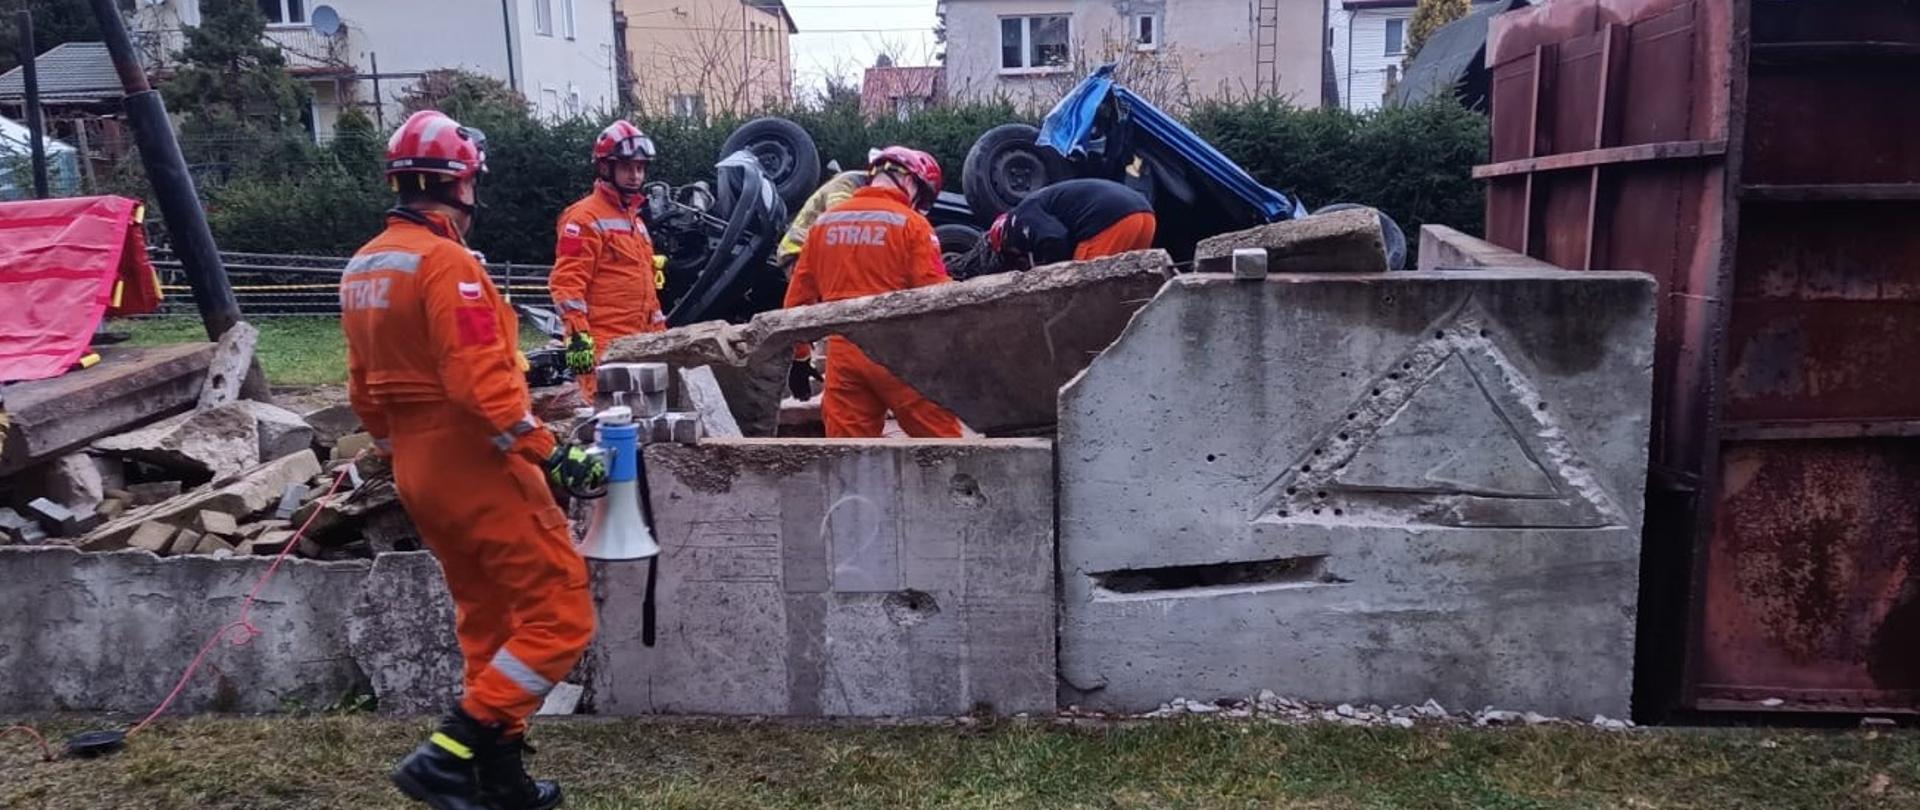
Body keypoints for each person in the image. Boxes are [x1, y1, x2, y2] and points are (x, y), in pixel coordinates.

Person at [341, 109, 604, 810]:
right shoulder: (447, 264)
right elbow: (479, 385)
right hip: (475, 459)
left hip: (417, 468)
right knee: (561, 615)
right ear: (460, 184)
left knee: (489, 619)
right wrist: (550, 453)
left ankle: (499, 782)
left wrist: (401, 451)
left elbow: (362, 387)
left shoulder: (365, 265)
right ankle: (449, 753)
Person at [783, 146, 962, 438]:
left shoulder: (823, 225)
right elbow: (935, 296)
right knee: (945, 449)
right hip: (902, 353)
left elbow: (797, 301)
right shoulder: (913, 224)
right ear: (909, 181)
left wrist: (800, 357)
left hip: (844, 355)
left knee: (849, 455)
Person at [550, 119, 665, 401]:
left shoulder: (636, 223)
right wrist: (578, 343)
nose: (635, 176)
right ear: (605, 167)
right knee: (609, 420)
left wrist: (662, 339)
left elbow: (649, 295)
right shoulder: (583, 219)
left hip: (641, 347)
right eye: (627, 167)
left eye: (640, 168)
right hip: (604, 351)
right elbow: (567, 286)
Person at [986, 178, 1157, 269]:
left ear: (1006, 239)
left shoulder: (1020, 217)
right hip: (1144, 215)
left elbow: (1055, 238)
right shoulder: (1043, 201)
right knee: (1130, 287)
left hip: (1109, 220)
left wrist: (1048, 271)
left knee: (1084, 287)